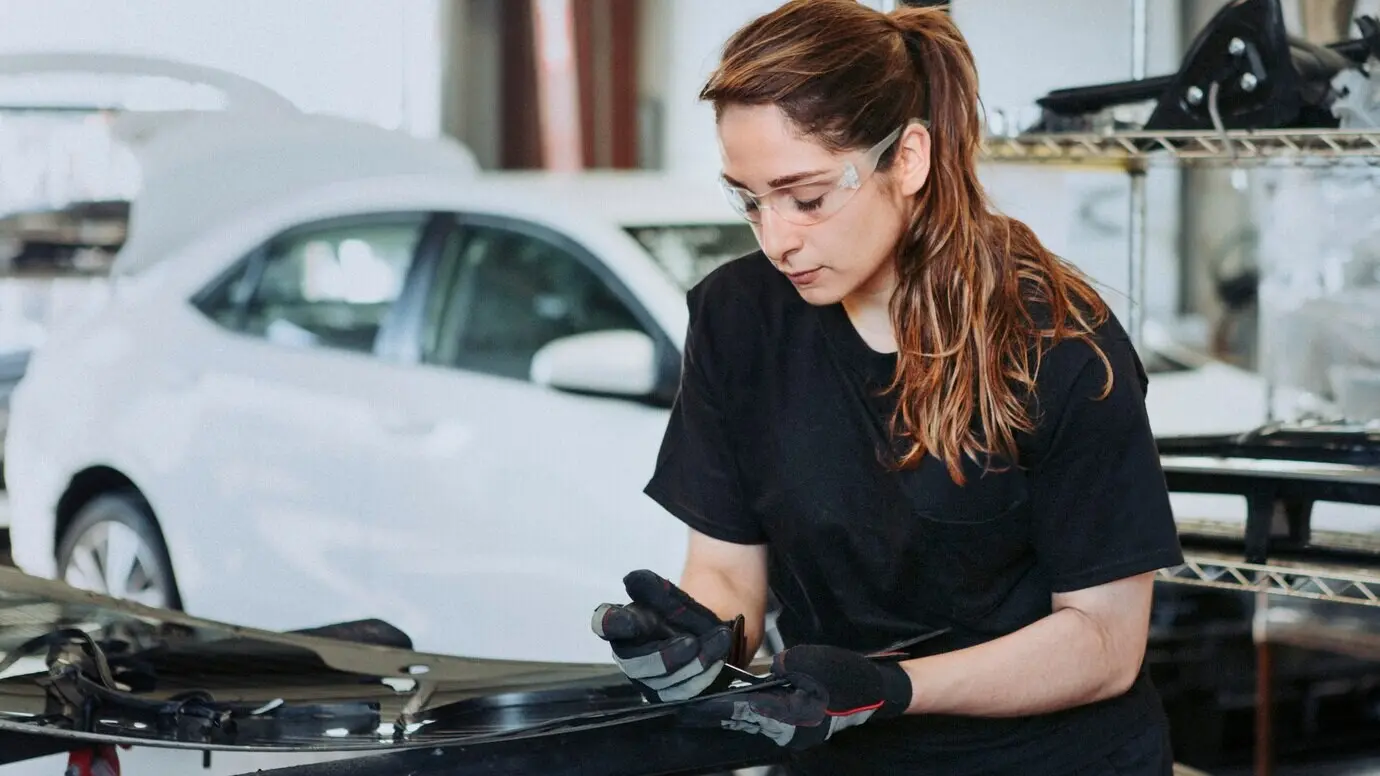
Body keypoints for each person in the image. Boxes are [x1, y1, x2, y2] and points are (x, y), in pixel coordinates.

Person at [590, 1, 1185, 773]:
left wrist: (889, 687)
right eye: (749, 199)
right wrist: (698, 638)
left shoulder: (1059, 341)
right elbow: (730, 569)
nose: (776, 239)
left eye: (806, 198)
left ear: (907, 158)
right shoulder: (738, 318)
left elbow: (1104, 643)